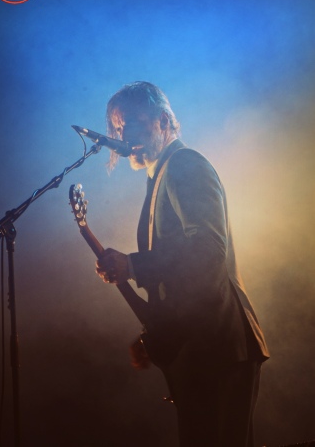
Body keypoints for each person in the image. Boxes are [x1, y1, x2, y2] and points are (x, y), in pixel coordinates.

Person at [96, 81, 269, 447]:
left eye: (134, 124)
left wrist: (134, 265)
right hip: (203, 347)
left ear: (163, 121)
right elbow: (186, 285)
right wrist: (157, 336)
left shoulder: (184, 165)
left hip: (219, 350)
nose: (126, 136)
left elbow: (207, 250)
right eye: (119, 129)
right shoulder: (160, 174)